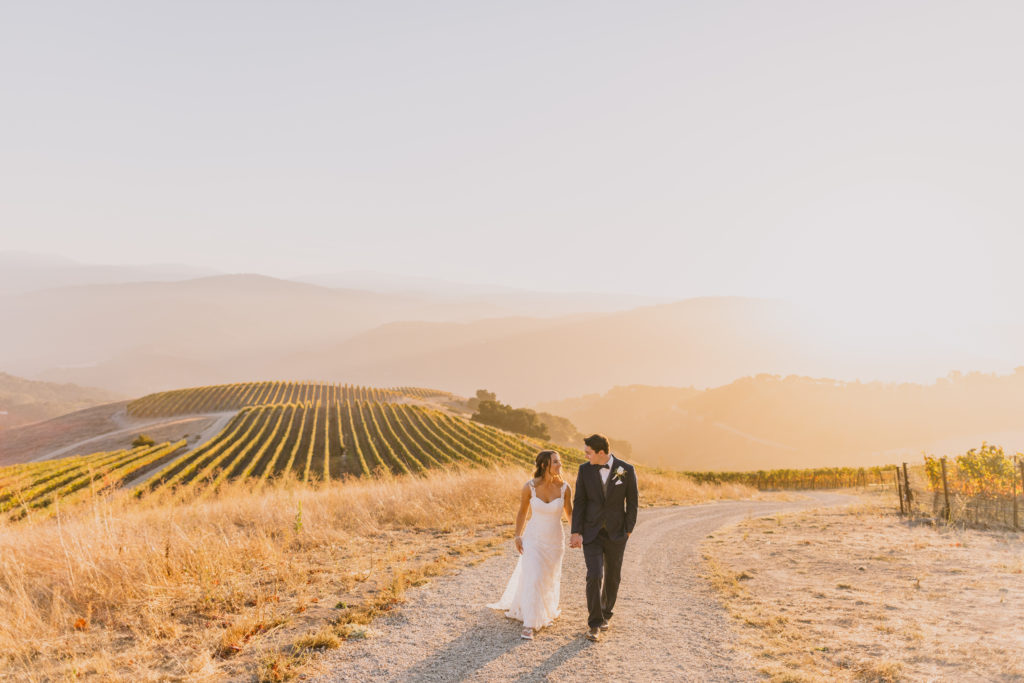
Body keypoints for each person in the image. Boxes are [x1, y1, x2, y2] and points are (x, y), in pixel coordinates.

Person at [488, 450, 573, 639]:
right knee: (534, 575)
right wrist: (517, 535)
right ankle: (529, 624)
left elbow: (569, 513)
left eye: (559, 462)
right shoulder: (529, 487)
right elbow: (522, 513)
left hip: (554, 540)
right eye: (556, 462)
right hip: (533, 539)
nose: (560, 465)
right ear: (545, 465)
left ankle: (541, 610)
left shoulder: (565, 488)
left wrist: (576, 534)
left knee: (547, 577)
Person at [569, 433, 638, 642]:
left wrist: (628, 530)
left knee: (612, 576)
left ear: (601, 453)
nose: (585, 456)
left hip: (617, 533)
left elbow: (632, 502)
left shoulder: (625, 470)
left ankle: (607, 613)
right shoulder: (584, 470)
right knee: (594, 575)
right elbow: (579, 501)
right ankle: (594, 623)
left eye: (588, 452)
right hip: (591, 532)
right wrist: (576, 531)